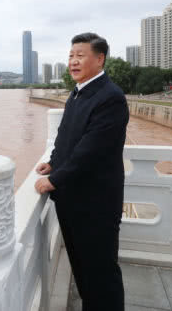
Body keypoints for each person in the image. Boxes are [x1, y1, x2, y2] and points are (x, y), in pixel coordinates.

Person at [34, 32, 128, 310]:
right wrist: (53, 161)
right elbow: (66, 136)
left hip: (95, 202)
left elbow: (92, 150)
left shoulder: (110, 97)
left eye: (80, 55)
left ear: (100, 59)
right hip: (74, 200)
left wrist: (54, 179)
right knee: (83, 269)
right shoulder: (78, 93)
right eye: (71, 56)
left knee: (101, 272)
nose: (73, 62)